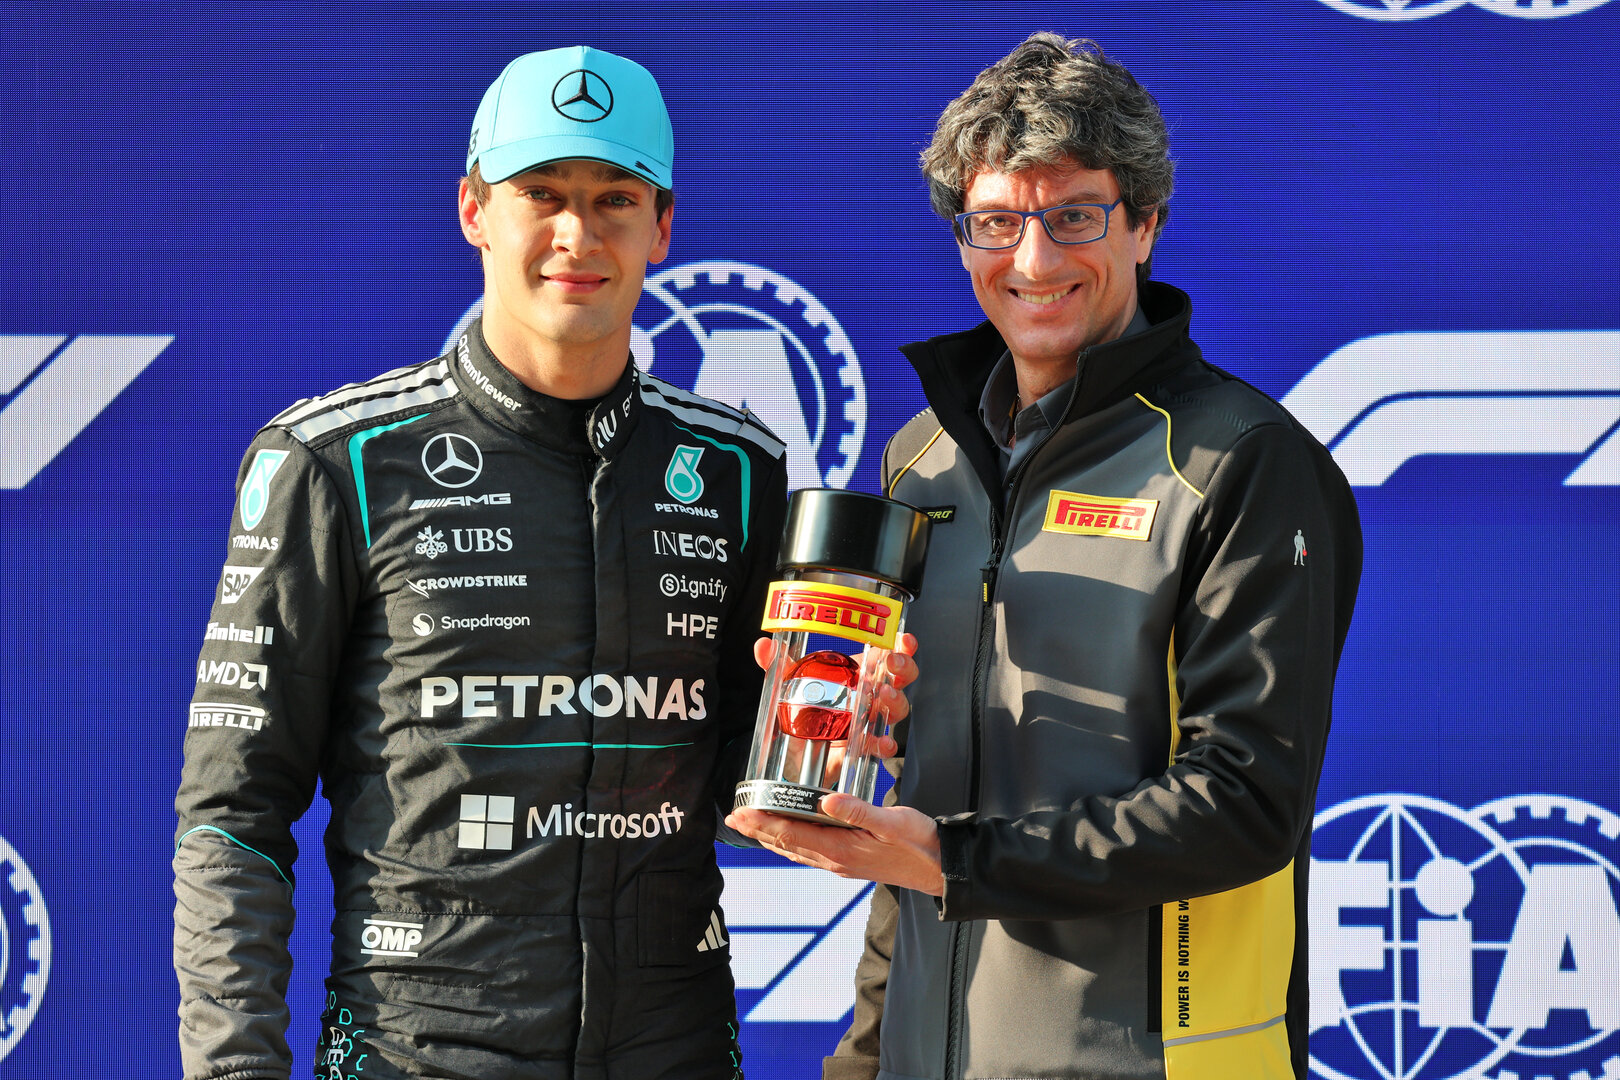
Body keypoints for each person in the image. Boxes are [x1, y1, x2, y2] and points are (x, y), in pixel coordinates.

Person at [727, 32, 1363, 1080]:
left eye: (1074, 216)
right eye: (996, 222)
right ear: (963, 237)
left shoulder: (1240, 461)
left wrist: (957, 859)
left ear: (1145, 223)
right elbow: (915, 832)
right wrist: (867, 1057)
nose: (1033, 261)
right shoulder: (922, 461)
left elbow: (1247, 803)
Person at [174, 46, 794, 1080]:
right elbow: (233, 811)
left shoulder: (736, 468)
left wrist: (829, 735)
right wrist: (235, 1068)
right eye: (541, 194)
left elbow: (742, 770)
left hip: (672, 1046)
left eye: (614, 199)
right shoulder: (336, 458)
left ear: (662, 227)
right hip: (417, 1048)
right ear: (475, 210)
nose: (576, 234)